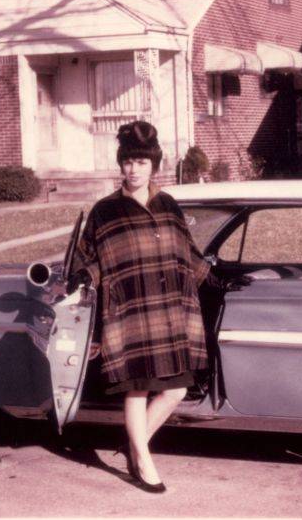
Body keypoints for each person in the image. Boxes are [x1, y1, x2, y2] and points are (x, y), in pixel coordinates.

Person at [70, 121, 215, 493]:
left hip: (168, 313)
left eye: (141, 162)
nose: (133, 169)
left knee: (176, 390)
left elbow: (187, 252)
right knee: (136, 390)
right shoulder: (105, 211)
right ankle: (144, 462)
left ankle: (134, 446)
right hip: (129, 312)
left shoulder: (168, 204)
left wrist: (211, 276)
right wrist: (83, 278)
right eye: (128, 161)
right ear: (121, 163)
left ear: (154, 165)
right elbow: (90, 260)